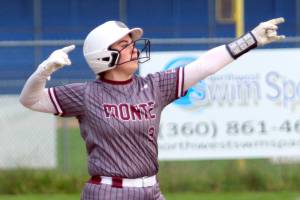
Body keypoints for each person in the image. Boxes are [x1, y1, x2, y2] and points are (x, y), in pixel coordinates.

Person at [19, 18, 285, 200]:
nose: (133, 48)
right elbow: (29, 100)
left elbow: (205, 64)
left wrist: (249, 40)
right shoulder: (86, 94)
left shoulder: (155, 86)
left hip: (151, 190)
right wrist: (43, 71)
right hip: (109, 193)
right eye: (124, 45)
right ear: (104, 56)